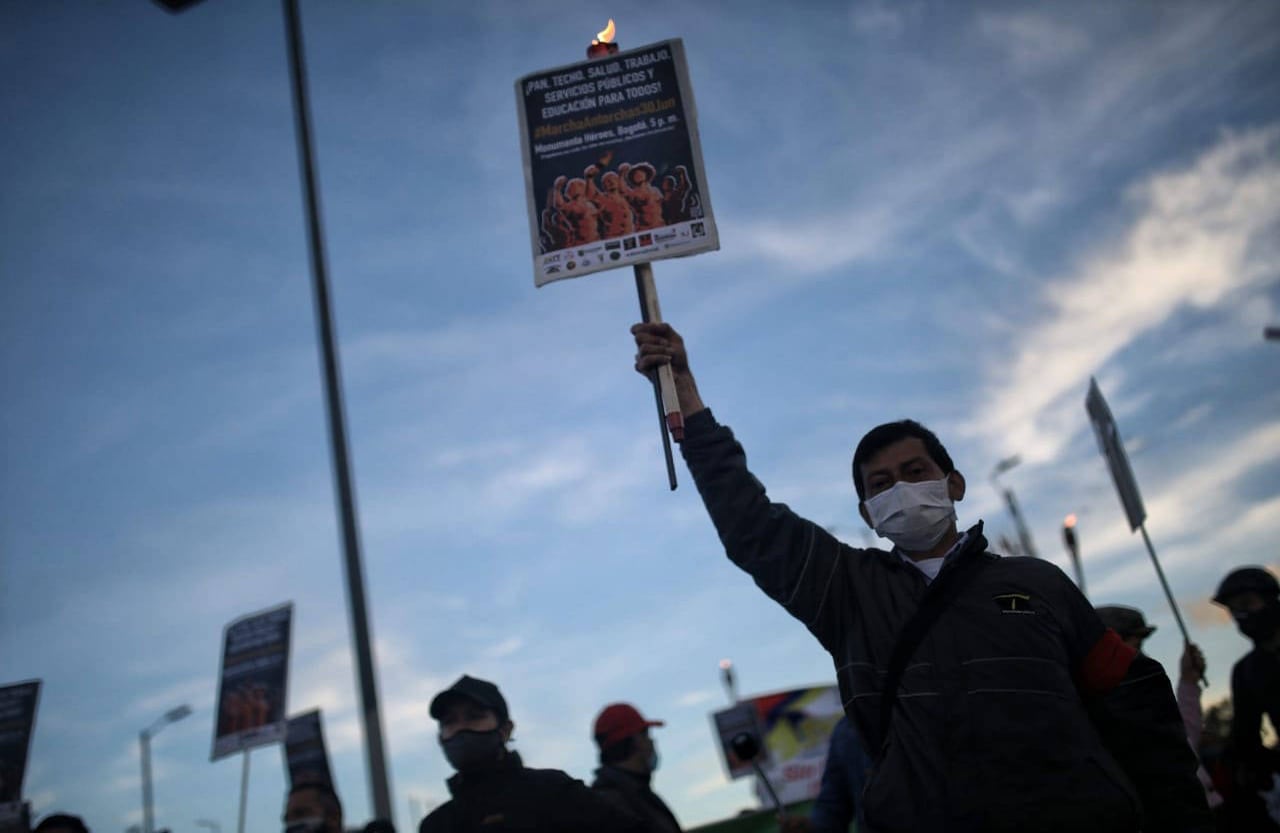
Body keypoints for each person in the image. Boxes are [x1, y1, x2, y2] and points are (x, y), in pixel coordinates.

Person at [630, 321, 1212, 833]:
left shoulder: (1042, 584)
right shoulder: (847, 591)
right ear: (868, 515)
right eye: (881, 484)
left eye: (914, 471)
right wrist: (686, 395)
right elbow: (749, 521)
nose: (901, 488)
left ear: (952, 484)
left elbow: (1139, 711)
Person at [419, 675, 644, 833]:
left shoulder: (554, 792)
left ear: (505, 730)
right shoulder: (436, 825)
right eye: (449, 722)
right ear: (440, 738)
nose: (461, 729)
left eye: (474, 716)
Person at [1096, 605, 1224, 814]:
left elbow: (1181, 740)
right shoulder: (1106, 712)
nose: (1142, 655)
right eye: (1136, 644)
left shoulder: (1133, 700)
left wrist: (1189, 681)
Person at [1213, 566, 1280, 829]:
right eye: (1234, 610)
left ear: (1270, 600)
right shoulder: (1247, 671)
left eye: (1246, 604)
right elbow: (1246, 735)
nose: (1241, 615)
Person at [590, 703, 682, 833]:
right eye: (646, 734)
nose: (651, 742)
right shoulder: (619, 807)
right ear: (637, 741)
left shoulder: (627, 795)